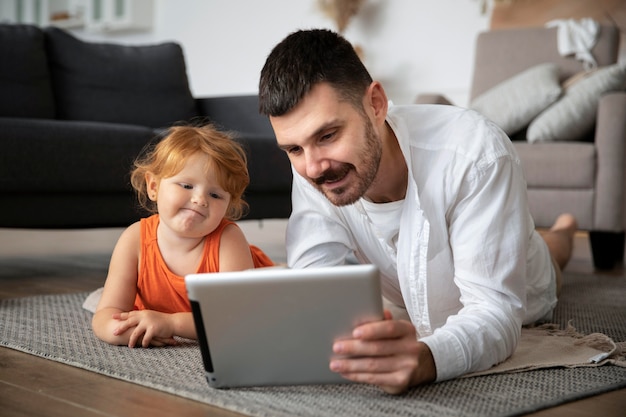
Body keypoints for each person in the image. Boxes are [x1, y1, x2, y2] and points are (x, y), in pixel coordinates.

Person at [258, 29, 577, 394]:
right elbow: (313, 288)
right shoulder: (315, 169)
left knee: (550, 255)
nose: (313, 168)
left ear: (375, 104)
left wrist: (427, 358)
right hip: (408, 294)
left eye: (328, 135)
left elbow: (495, 311)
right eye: (294, 149)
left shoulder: (475, 154)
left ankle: (565, 229)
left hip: (527, 284)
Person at [92, 125, 274, 348]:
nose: (200, 199)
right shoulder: (134, 239)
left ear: (227, 207)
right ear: (153, 186)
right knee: (106, 298)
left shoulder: (229, 240)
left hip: (259, 293)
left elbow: (235, 319)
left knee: (284, 308)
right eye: (187, 185)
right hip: (179, 314)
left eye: (215, 195)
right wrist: (121, 330)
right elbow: (105, 315)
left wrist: (171, 323)